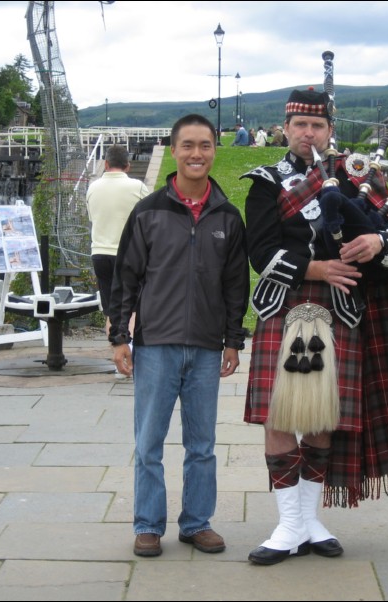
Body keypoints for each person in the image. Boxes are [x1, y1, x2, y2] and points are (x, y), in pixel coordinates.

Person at [241, 88, 388, 565]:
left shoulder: (357, 177)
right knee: (281, 415)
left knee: (324, 417)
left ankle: (308, 520)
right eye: (299, 125)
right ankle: (288, 524)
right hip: (285, 306)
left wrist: (373, 241)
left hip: (341, 310)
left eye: (317, 126)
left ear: (330, 131)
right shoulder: (267, 182)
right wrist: (316, 269)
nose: (308, 134)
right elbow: (261, 253)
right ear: (286, 128)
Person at [109, 114, 250, 558]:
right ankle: (148, 525)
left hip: (207, 348)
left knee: (202, 445)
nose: (196, 154)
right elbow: (125, 278)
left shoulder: (228, 216)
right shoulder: (148, 211)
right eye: (187, 145)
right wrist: (119, 337)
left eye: (205, 146)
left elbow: (236, 285)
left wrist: (233, 340)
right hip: (156, 346)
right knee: (149, 443)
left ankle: (196, 523)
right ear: (174, 150)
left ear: (214, 151)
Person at [85, 143, 149, 368]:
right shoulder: (137, 187)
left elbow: (92, 217)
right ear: (128, 165)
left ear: (106, 163)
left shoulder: (93, 187)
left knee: (111, 309)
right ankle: (130, 358)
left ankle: (118, 359)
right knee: (130, 308)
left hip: (100, 253)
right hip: (129, 254)